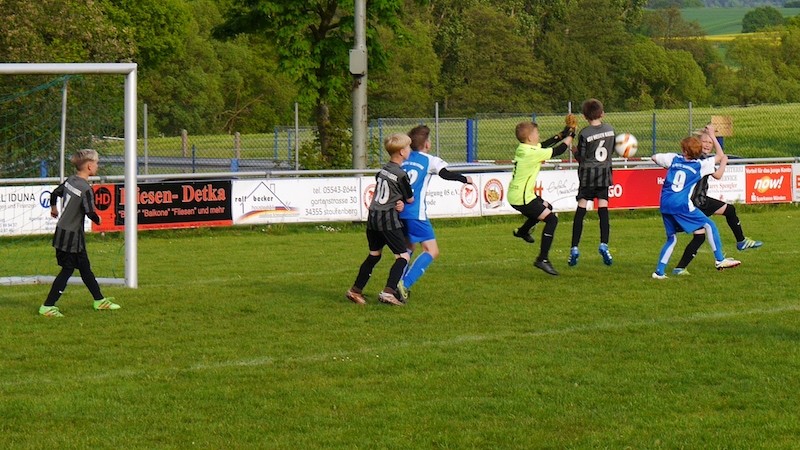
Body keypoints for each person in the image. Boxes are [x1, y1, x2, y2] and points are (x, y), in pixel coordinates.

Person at [671, 125, 762, 275]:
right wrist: (722, 158)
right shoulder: (701, 159)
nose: (707, 145)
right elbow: (718, 174)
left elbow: (716, 173)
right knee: (704, 231)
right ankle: (733, 248)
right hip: (696, 202)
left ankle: (680, 268)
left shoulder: (701, 159)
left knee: (704, 232)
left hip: (698, 201)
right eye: (704, 142)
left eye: (710, 143)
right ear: (697, 143)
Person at [40, 149, 120, 317]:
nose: (97, 166)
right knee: (67, 269)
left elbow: (54, 193)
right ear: (89, 166)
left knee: (85, 268)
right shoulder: (86, 188)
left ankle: (99, 300)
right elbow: (90, 212)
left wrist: (54, 208)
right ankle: (47, 306)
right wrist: (99, 220)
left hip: (64, 232)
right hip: (71, 236)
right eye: (96, 163)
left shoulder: (71, 180)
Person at [396, 125, 473, 300]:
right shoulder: (430, 160)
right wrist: (464, 179)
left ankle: (393, 285)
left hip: (399, 212)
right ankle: (404, 284)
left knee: (408, 248)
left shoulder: (404, 158)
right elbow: (445, 174)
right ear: (427, 144)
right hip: (416, 213)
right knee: (431, 250)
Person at [651, 136, 741, 279]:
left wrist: (674, 164)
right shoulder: (700, 165)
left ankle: (659, 272)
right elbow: (719, 156)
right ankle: (719, 259)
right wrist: (712, 135)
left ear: (685, 151)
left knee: (672, 239)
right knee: (710, 225)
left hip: (665, 203)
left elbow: (654, 157)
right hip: (681, 204)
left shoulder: (674, 159)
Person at [346, 133, 415, 306]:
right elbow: (410, 199)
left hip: (373, 217)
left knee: (374, 255)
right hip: (387, 219)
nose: (410, 150)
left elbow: (385, 190)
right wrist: (401, 201)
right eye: (408, 147)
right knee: (403, 257)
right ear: (402, 152)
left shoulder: (383, 170)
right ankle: (388, 292)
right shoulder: (401, 174)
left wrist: (397, 200)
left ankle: (355, 290)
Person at [509, 118, 575, 276]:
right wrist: (571, 136)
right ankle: (542, 259)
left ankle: (523, 231)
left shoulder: (524, 148)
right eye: (536, 133)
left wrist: (562, 134)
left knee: (547, 207)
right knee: (552, 220)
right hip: (522, 198)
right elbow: (558, 151)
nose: (538, 135)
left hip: (519, 194)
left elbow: (544, 144)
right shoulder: (532, 153)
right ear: (530, 138)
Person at [568, 99, 615, 267]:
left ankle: (574, 247)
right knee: (603, 209)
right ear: (602, 114)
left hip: (588, 175)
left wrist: (575, 152)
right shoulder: (610, 130)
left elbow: (582, 157)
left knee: (581, 209)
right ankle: (604, 244)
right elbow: (611, 150)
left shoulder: (584, 134)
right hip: (604, 174)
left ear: (585, 116)